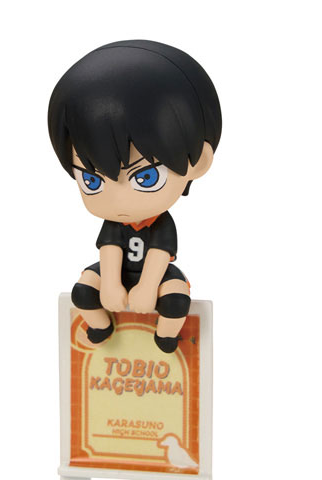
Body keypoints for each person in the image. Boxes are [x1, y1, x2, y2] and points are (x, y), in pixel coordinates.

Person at [48, 40, 222, 353]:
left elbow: (159, 256)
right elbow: (109, 250)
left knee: (176, 299)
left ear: (198, 162)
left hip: (155, 276)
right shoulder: (114, 222)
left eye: (145, 178)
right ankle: (101, 327)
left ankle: (166, 338)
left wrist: (146, 287)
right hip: (116, 275)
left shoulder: (161, 224)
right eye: (91, 179)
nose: (118, 201)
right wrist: (110, 284)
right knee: (83, 292)